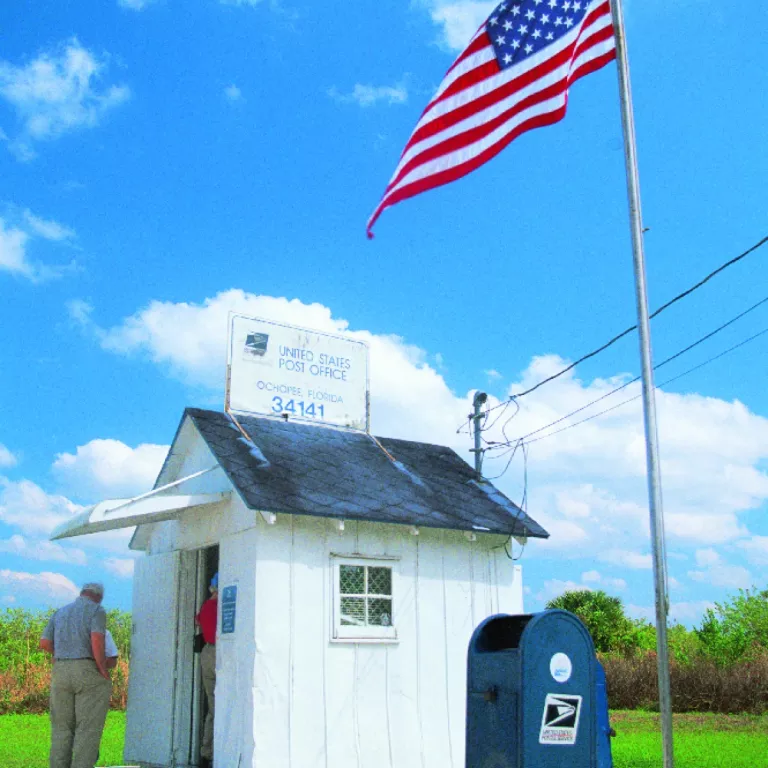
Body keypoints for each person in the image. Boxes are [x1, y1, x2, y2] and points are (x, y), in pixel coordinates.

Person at [39, 582, 112, 768]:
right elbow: (96, 639)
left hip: (61, 670)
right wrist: (102, 668)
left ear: (81, 593)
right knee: (87, 729)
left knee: (61, 727)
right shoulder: (97, 610)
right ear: (98, 596)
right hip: (86, 668)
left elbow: (45, 642)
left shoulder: (61, 612)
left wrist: (61, 653)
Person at [195, 573, 218, 768]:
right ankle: (217, 751)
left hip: (207, 652)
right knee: (223, 705)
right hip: (220, 653)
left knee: (213, 706)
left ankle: (207, 752)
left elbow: (198, 621)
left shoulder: (205, 607)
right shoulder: (220, 606)